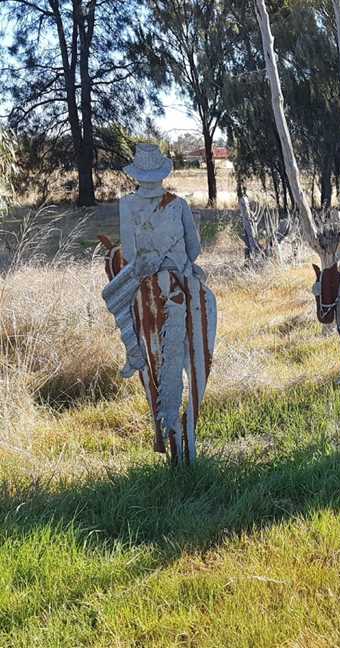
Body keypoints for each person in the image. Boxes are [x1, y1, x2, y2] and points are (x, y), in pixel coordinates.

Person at [106, 143, 216, 464]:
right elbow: (194, 250)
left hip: (145, 276)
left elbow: (128, 250)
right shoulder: (178, 204)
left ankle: (134, 350)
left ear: (138, 176)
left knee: (113, 297)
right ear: (161, 175)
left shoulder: (126, 205)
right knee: (206, 297)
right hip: (181, 275)